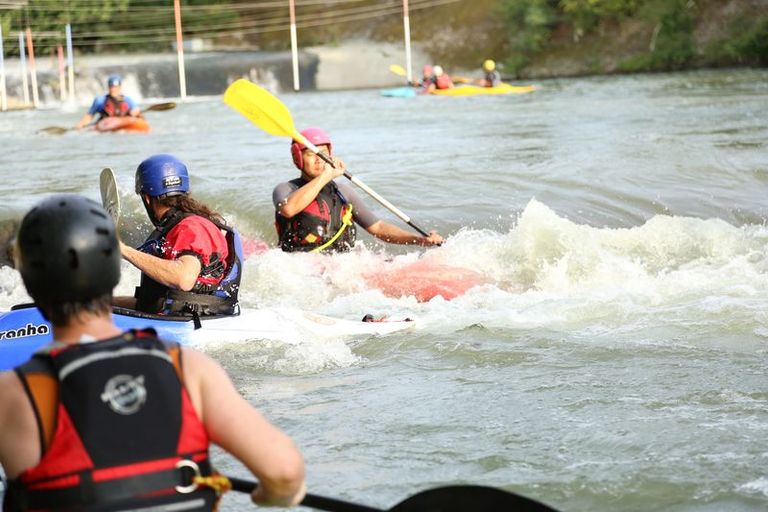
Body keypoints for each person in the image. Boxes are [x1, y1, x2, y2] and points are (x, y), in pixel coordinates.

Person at [0, 194, 306, 510]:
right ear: (112, 273)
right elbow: (285, 472)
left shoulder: (12, 394)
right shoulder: (189, 369)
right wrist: (270, 494)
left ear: (32, 285)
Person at [273, 127, 444, 253]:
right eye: (311, 154)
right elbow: (289, 209)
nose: (319, 160)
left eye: (323, 154)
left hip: (342, 265)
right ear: (298, 158)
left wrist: (418, 240)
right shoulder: (286, 189)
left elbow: (378, 228)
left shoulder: (343, 192)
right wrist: (325, 176)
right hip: (301, 265)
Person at [115, 154, 243, 318]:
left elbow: (184, 279)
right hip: (182, 319)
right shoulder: (183, 226)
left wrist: (124, 251)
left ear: (146, 198)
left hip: (192, 325)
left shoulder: (191, 227)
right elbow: (151, 304)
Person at [75, 74, 141, 129]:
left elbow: (136, 111)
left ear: (120, 87)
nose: (113, 89)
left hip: (124, 122)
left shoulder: (127, 99)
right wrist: (81, 124)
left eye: (116, 87)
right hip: (106, 123)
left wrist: (134, 113)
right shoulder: (100, 101)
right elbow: (89, 116)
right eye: (111, 87)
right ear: (108, 87)